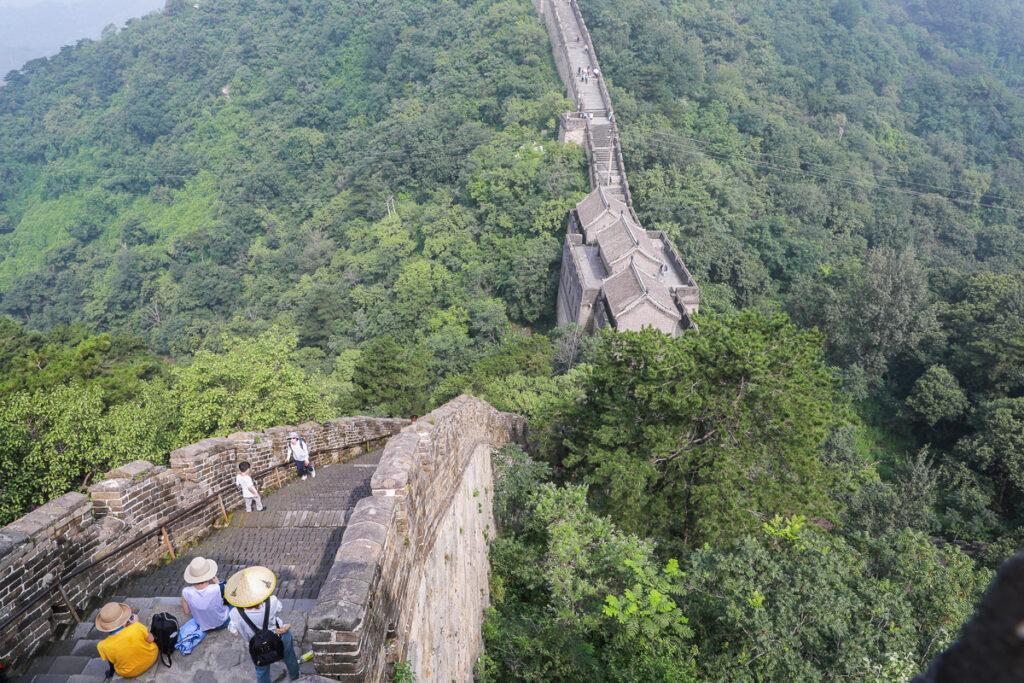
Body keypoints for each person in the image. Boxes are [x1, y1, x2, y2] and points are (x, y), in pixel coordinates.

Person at [225, 566, 301, 683]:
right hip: (279, 637)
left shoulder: (234, 614)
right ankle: (296, 677)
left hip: (256, 646)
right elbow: (279, 608)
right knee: (289, 657)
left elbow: (234, 631)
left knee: (261, 670)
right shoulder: (272, 601)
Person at [95, 602, 158, 679]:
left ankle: (111, 673)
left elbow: (112, 661)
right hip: (152, 657)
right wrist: (136, 624)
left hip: (129, 673)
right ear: (124, 618)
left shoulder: (102, 645)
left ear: (105, 626)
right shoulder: (137, 626)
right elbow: (151, 639)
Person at [181, 557, 230, 633]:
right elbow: (228, 601)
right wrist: (218, 583)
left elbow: (186, 612)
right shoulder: (219, 588)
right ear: (209, 575)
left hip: (203, 626)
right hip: (222, 623)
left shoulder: (186, 592)